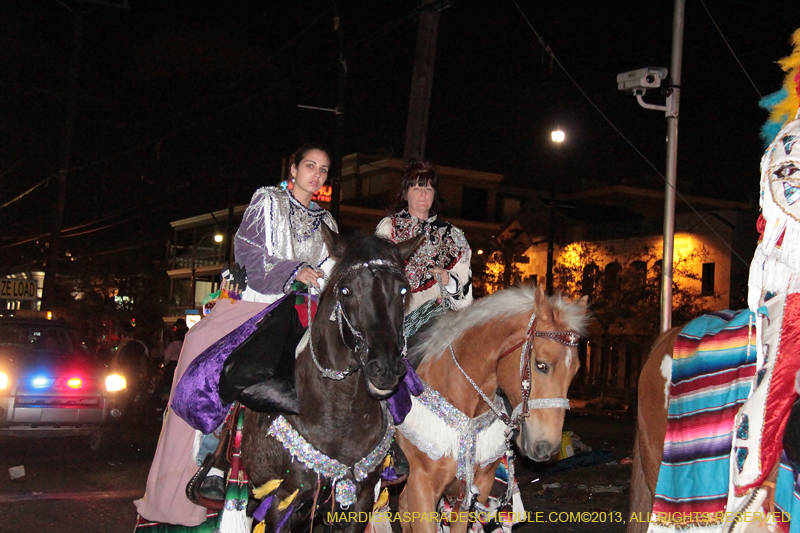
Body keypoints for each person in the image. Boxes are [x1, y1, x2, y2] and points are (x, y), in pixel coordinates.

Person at [134, 143, 338, 528]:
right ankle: (206, 456)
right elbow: (247, 251)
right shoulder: (268, 200)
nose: (317, 174)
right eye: (310, 166)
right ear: (293, 169)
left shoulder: (327, 223)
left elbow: (331, 267)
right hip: (260, 302)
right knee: (200, 351)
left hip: (305, 310)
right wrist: (293, 270)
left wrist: (323, 280)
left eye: (324, 170)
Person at [375, 160, 473, 337]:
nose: (423, 194)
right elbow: (376, 276)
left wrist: (448, 280)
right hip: (396, 319)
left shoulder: (453, 235)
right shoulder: (389, 228)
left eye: (428, 189)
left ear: (434, 194)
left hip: (438, 324)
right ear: (405, 194)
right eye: (416, 188)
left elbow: (465, 294)